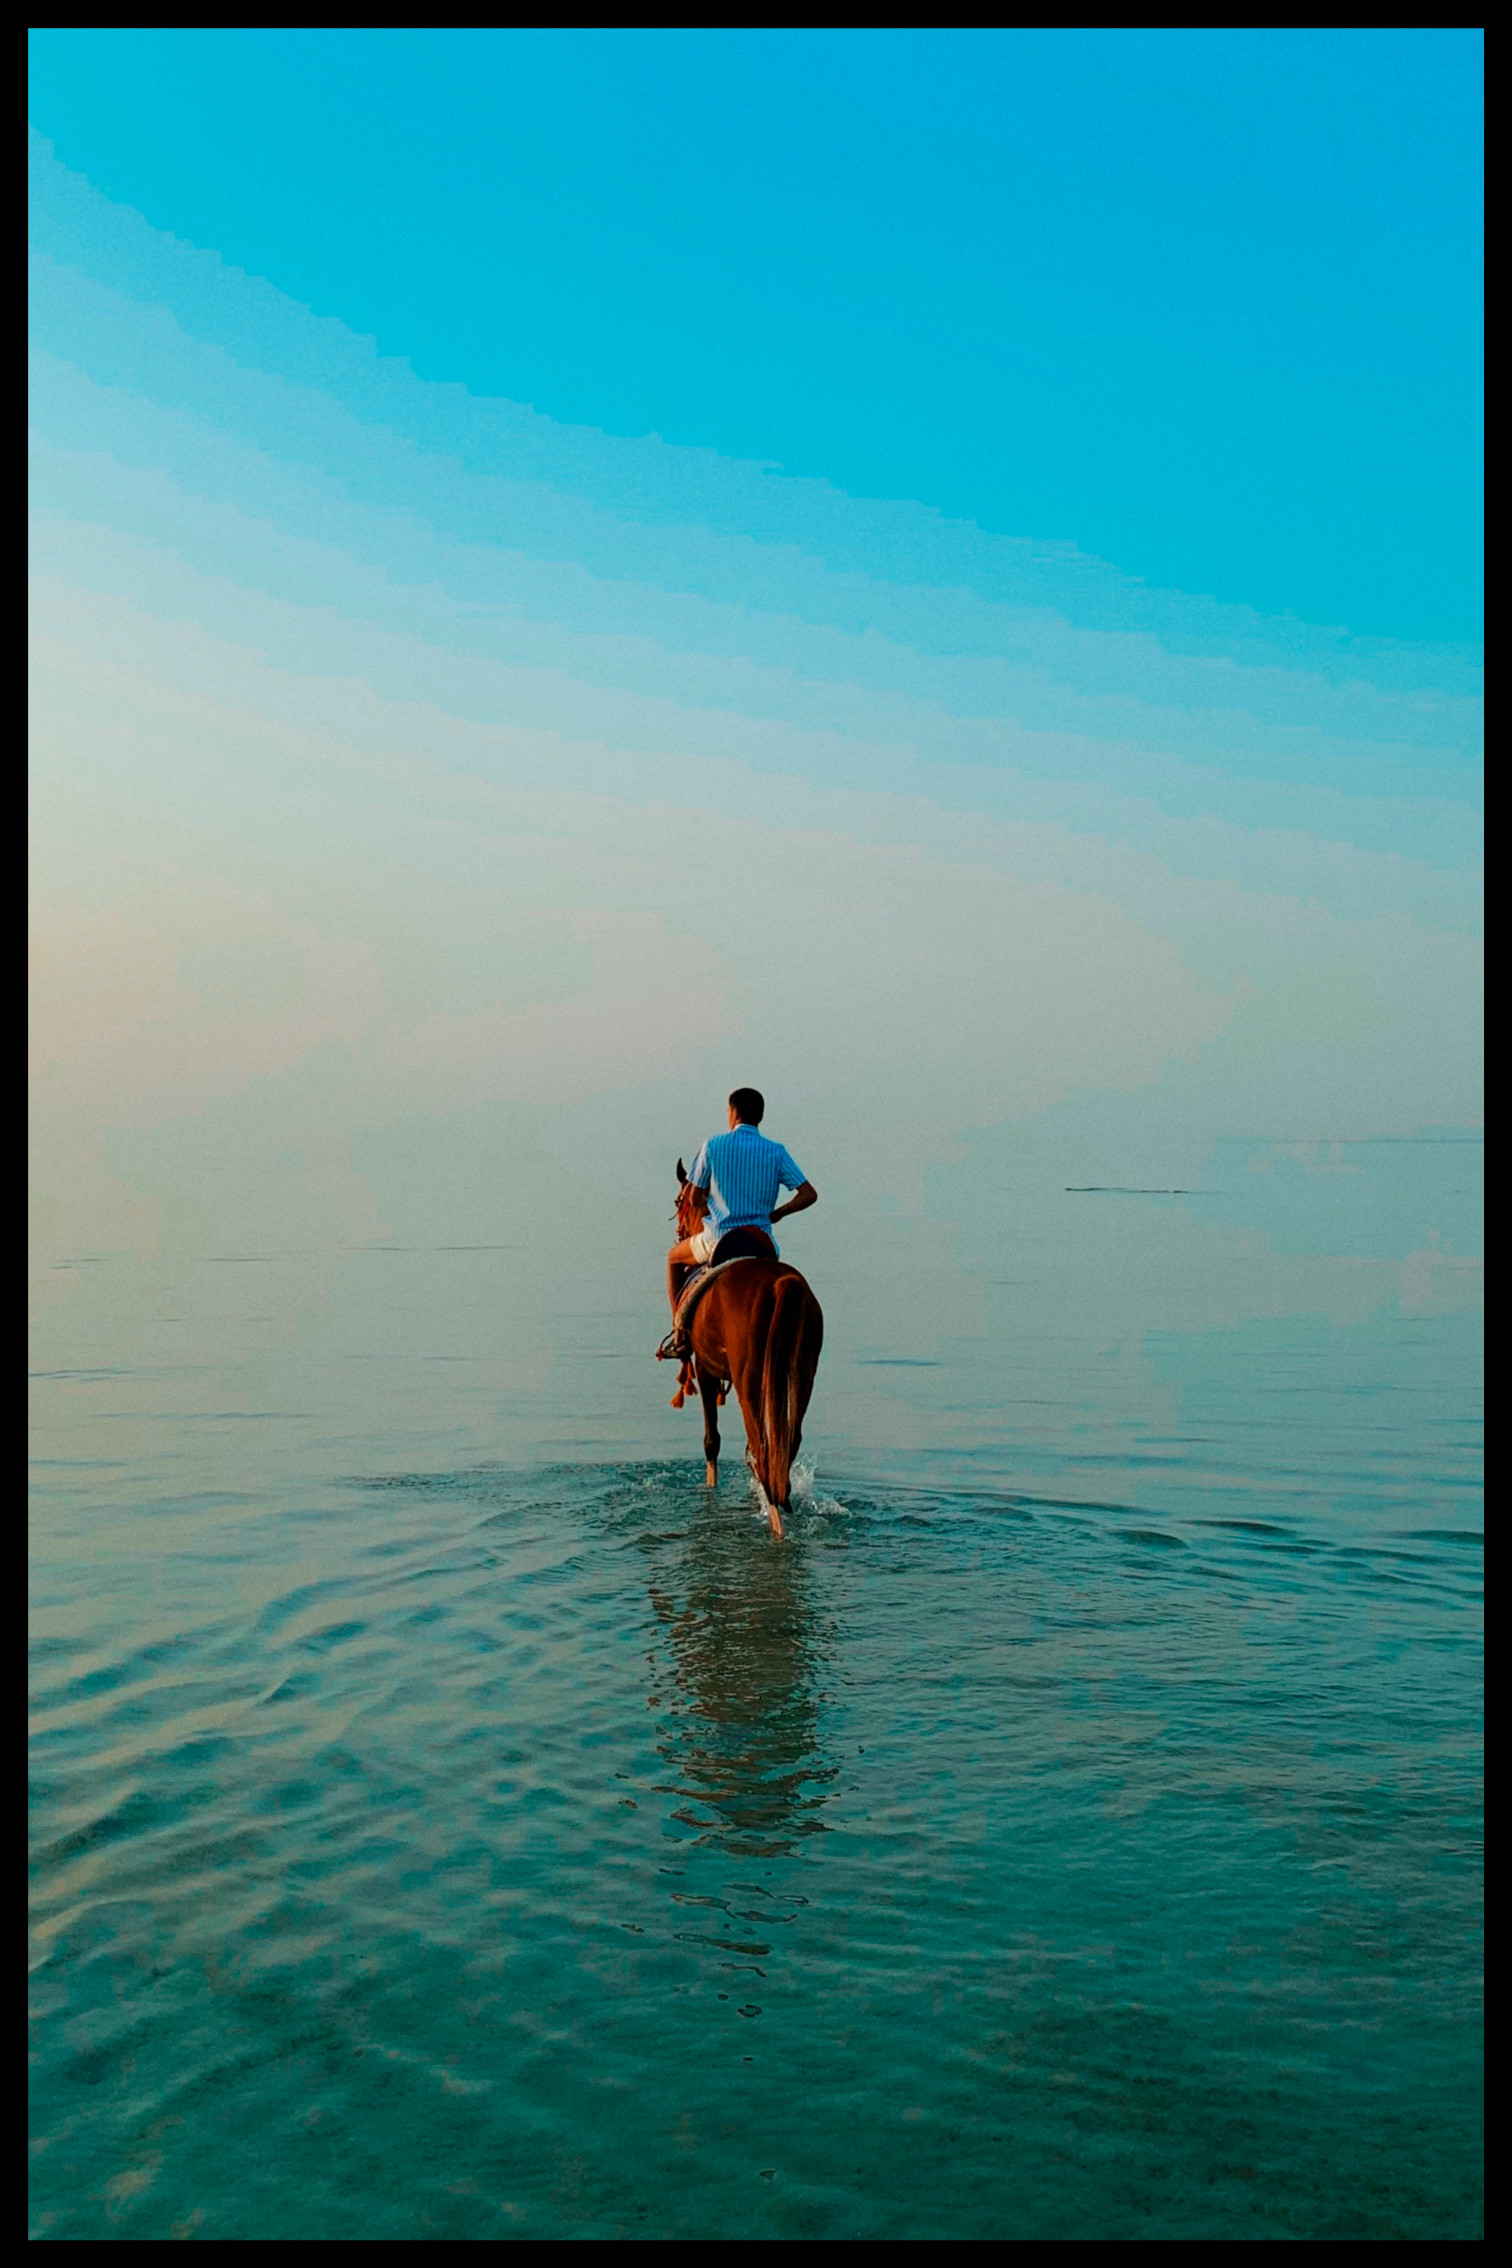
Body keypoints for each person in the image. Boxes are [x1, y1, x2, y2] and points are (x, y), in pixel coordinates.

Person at [666, 1088, 817, 1317]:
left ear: (734, 1113)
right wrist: (777, 1213)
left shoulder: (713, 1145)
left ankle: (679, 1331)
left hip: (718, 1239)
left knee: (673, 1259)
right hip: (762, 1241)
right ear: (760, 1116)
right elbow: (808, 1194)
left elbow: (694, 1197)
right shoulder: (776, 1151)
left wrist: (710, 1208)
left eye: (728, 1110)